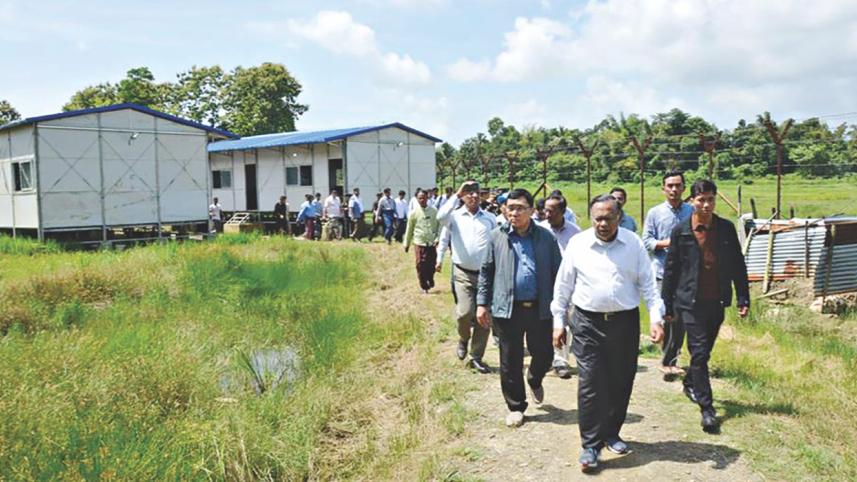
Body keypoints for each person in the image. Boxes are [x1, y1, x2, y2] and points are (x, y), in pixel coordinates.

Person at [551, 194, 665, 472]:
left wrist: (656, 318)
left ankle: (611, 433)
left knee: (620, 379)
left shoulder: (633, 244)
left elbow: (648, 285)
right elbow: (563, 286)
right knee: (590, 381)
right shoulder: (578, 244)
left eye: (609, 217)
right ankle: (590, 444)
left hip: (624, 322)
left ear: (619, 217)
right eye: (598, 218)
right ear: (591, 218)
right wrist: (558, 321)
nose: (603, 223)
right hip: (587, 322)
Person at [661, 180, 750, 433]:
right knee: (698, 352)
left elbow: (737, 264)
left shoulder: (725, 228)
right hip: (688, 302)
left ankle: (690, 380)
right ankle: (707, 409)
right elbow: (671, 269)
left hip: (717, 300)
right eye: (701, 200)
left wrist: (743, 297)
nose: (706, 204)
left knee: (704, 352)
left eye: (710, 199)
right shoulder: (682, 231)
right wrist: (667, 303)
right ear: (692, 202)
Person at [477, 188, 562, 428]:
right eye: (510, 208)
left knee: (544, 353)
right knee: (510, 359)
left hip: (540, 307)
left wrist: (562, 305)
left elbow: (559, 272)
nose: (514, 212)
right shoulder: (496, 237)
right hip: (507, 308)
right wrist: (482, 304)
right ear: (504, 210)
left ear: (532, 211)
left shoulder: (546, 238)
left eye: (520, 208)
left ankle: (535, 378)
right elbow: (486, 272)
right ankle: (516, 406)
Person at [437, 181, 497, 374]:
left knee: (484, 317)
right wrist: (457, 193)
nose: (472, 196)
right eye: (468, 193)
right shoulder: (454, 217)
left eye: (476, 193)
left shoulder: (490, 218)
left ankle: (476, 357)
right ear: (462, 195)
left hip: (486, 275)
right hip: (462, 273)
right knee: (464, 313)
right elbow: (440, 217)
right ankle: (463, 338)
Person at [643, 170, 694, 379]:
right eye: (670, 186)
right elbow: (646, 241)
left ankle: (669, 360)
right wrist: (667, 244)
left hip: (686, 274)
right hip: (662, 272)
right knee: (664, 315)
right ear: (663, 188)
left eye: (678, 185)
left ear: (683, 188)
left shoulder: (691, 211)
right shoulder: (655, 213)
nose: (674, 189)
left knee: (680, 317)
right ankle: (667, 355)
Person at [538, 194, 581, 379]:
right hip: (543, 281)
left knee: (564, 319)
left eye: (552, 210)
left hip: (566, 283)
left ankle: (561, 361)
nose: (547, 214)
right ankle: (543, 357)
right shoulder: (538, 230)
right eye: (545, 210)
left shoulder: (575, 233)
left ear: (563, 212)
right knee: (542, 320)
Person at [405, 190, 440, 293]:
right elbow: (409, 229)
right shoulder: (414, 213)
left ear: (427, 198)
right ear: (416, 199)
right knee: (420, 264)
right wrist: (406, 243)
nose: (422, 200)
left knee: (431, 264)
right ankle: (424, 286)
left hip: (431, 242)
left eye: (424, 197)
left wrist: (437, 238)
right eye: (420, 198)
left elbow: (439, 227)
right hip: (419, 242)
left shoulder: (434, 211)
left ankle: (430, 278)